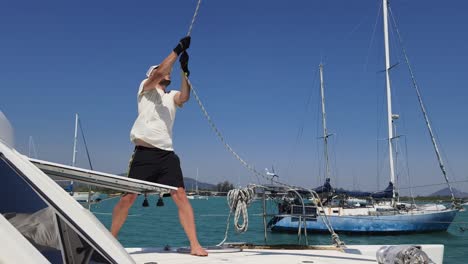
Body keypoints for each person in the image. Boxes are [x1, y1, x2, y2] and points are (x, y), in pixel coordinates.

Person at [110, 36, 208, 256]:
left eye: (169, 72)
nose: (167, 72)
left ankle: (194, 244)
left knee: (180, 195)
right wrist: (177, 50)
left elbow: (184, 97)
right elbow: (157, 73)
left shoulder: (170, 96)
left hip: (166, 155)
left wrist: (184, 71)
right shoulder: (145, 88)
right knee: (128, 197)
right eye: (165, 70)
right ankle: (110, 239)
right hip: (144, 153)